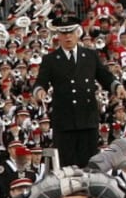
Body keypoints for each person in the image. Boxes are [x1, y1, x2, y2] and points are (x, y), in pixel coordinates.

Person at [34, 15, 116, 167]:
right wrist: (39, 91)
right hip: (64, 121)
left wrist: (117, 86)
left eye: (71, 32)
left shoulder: (90, 55)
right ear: (58, 35)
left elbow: (104, 75)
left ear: (77, 33)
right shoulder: (50, 59)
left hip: (87, 118)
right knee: (67, 166)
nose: (68, 37)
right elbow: (41, 81)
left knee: (89, 165)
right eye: (64, 33)